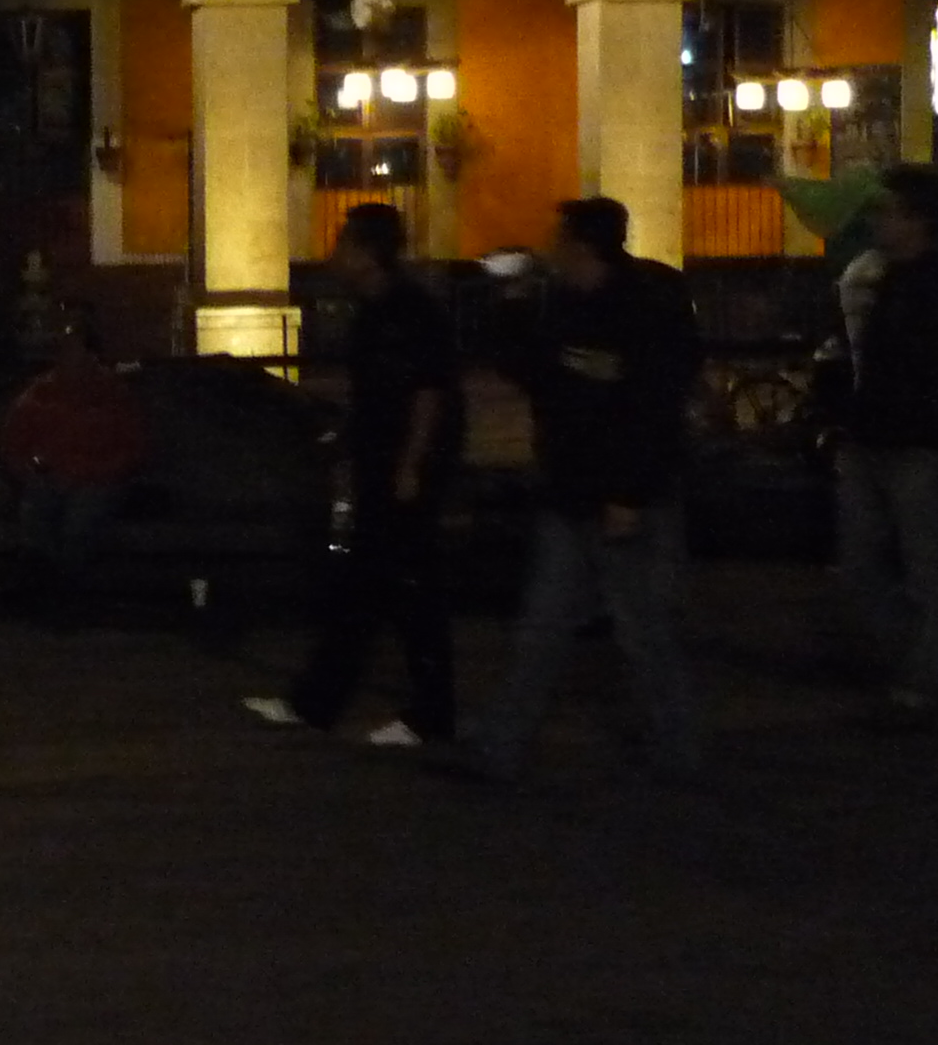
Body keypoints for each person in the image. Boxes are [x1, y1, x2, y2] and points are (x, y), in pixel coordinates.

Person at [458, 196, 705, 784]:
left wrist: (629, 494)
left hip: (622, 498)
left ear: (583, 247)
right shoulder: (561, 303)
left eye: (560, 240)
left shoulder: (643, 307)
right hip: (570, 489)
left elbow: (654, 408)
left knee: (641, 632)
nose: (551, 250)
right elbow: (529, 371)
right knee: (544, 628)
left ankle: (678, 748)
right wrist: (511, 308)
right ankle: (501, 746)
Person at [247, 200, 461, 748]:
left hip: (404, 472)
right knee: (374, 590)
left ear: (368, 253)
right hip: (381, 466)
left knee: (397, 590)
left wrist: (410, 465)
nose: (333, 255)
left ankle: (418, 713)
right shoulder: (373, 313)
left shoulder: (412, 313)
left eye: (343, 243)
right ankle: (325, 703)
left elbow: (429, 394)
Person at [833, 166, 938, 712]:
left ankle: (920, 675)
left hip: (915, 445)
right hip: (879, 438)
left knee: (919, 569)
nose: (876, 221)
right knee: (866, 566)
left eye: (886, 211)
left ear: (917, 220)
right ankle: (909, 662)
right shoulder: (891, 280)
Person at [0, 306, 147, 612]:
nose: (70, 357)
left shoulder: (111, 394)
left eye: (76, 348)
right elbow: (14, 444)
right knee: (36, 514)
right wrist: (33, 471)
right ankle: (51, 591)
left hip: (97, 480)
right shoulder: (40, 394)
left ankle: (60, 592)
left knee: (80, 521)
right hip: (52, 477)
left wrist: (96, 472)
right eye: (65, 350)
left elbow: (133, 446)